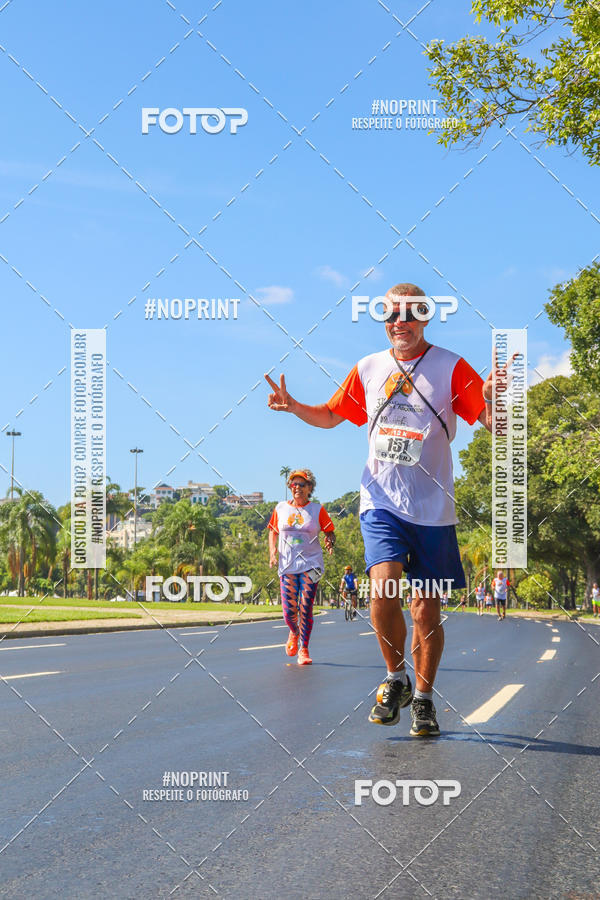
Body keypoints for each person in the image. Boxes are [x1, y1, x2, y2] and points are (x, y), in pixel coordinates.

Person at [266, 282, 499, 737]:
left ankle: (425, 702)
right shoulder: (369, 368)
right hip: (381, 504)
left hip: (433, 512)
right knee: (383, 591)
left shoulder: (451, 367)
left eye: (410, 314)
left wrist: (493, 401)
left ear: (426, 317)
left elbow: (494, 426)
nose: (400, 322)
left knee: (426, 613)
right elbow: (331, 415)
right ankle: (396, 677)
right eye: (391, 315)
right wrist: (293, 406)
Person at [268, 468, 335, 665]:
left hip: (311, 564)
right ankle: (294, 632)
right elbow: (272, 531)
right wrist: (272, 552)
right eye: (293, 484)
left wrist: (330, 541)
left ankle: (304, 649)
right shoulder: (280, 508)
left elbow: (329, 531)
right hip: (287, 565)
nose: (296, 487)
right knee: (289, 612)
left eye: (301, 484)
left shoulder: (317, 510)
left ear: (310, 488)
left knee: (306, 606)